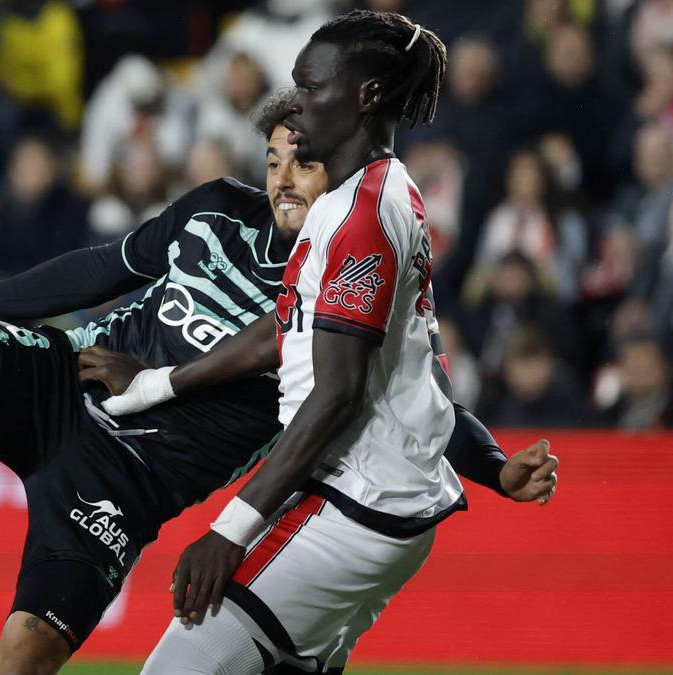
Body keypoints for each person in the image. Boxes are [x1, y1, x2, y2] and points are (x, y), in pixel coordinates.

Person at [0, 96, 556, 675]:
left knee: (23, 658)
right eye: (274, 160)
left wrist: (494, 467)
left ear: (338, 172)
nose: (284, 179)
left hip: (128, 480)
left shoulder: (349, 279)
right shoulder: (217, 206)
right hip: (62, 376)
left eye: (304, 163)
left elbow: (418, 400)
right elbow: (104, 267)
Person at [98, 11, 555, 673]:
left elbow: (338, 393)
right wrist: (159, 382)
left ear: (365, 97)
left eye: (311, 87)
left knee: (180, 663)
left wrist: (230, 528)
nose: (298, 103)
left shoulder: (358, 218)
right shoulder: (387, 190)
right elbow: (388, 363)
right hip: (385, 504)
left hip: (352, 504)